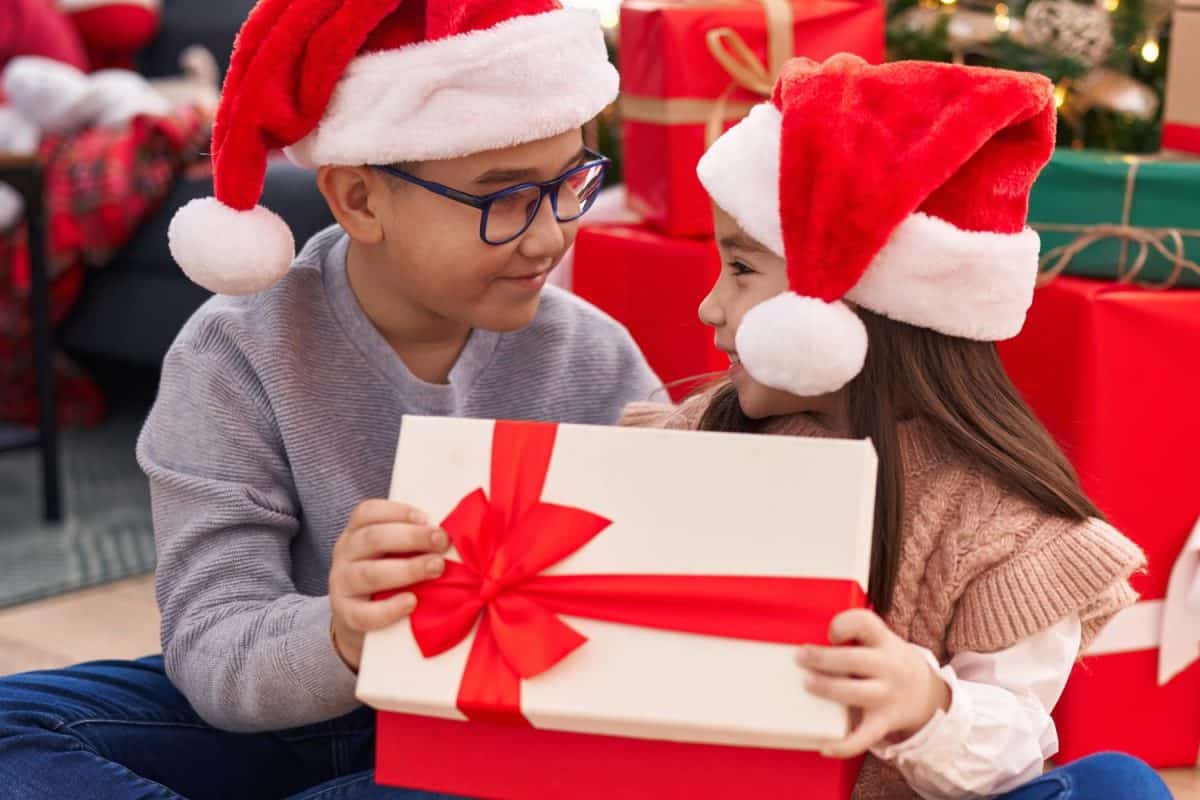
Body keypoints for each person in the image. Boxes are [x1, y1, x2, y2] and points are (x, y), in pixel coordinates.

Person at [0, 1, 660, 797]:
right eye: (506, 198)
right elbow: (211, 643)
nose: (551, 235)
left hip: (481, 727)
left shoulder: (596, 355)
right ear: (358, 200)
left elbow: (659, 602)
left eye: (572, 182)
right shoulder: (234, 354)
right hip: (292, 709)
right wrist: (344, 632)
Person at [621, 54, 1167, 800]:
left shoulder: (1004, 529)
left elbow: (1014, 742)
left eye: (743, 272)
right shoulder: (699, 439)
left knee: (1116, 787)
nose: (709, 308)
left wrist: (926, 705)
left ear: (847, 310)